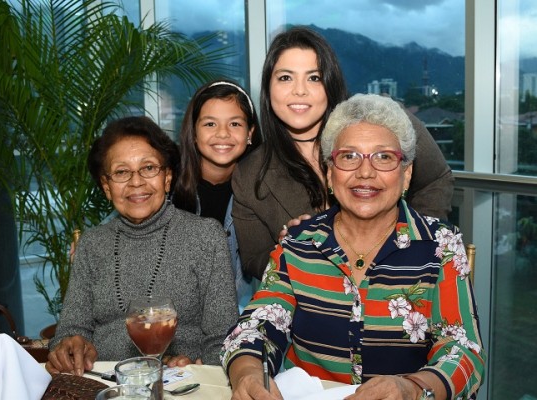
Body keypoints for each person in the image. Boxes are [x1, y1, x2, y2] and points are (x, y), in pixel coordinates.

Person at [221, 94, 484, 400]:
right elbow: (257, 323)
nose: (365, 172)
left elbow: (463, 348)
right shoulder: (298, 243)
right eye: (349, 156)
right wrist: (248, 374)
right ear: (330, 173)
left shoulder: (441, 245)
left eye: (383, 157)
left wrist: (411, 388)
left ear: (407, 174)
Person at [231, 26, 455, 280]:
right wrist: (285, 251)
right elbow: (252, 260)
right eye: (285, 77)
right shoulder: (250, 173)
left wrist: (412, 245)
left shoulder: (383, 122)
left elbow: (436, 179)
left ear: (330, 82)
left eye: (313, 77)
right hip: (314, 306)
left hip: (400, 290)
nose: (299, 90)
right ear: (268, 87)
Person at [46, 116, 238, 376]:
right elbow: (70, 330)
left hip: (180, 385)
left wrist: (197, 369)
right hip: (103, 383)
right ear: (106, 186)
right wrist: (69, 347)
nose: (136, 182)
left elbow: (222, 340)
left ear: (167, 177)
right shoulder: (92, 244)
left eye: (148, 168)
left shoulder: (205, 236)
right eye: (122, 172)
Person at [172, 80, 262, 312]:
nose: (223, 134)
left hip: (229, 317)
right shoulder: (166, 185)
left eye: (234, 123)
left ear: (250, 133)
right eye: (210, 124)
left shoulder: (262, 190)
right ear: (193, 132)